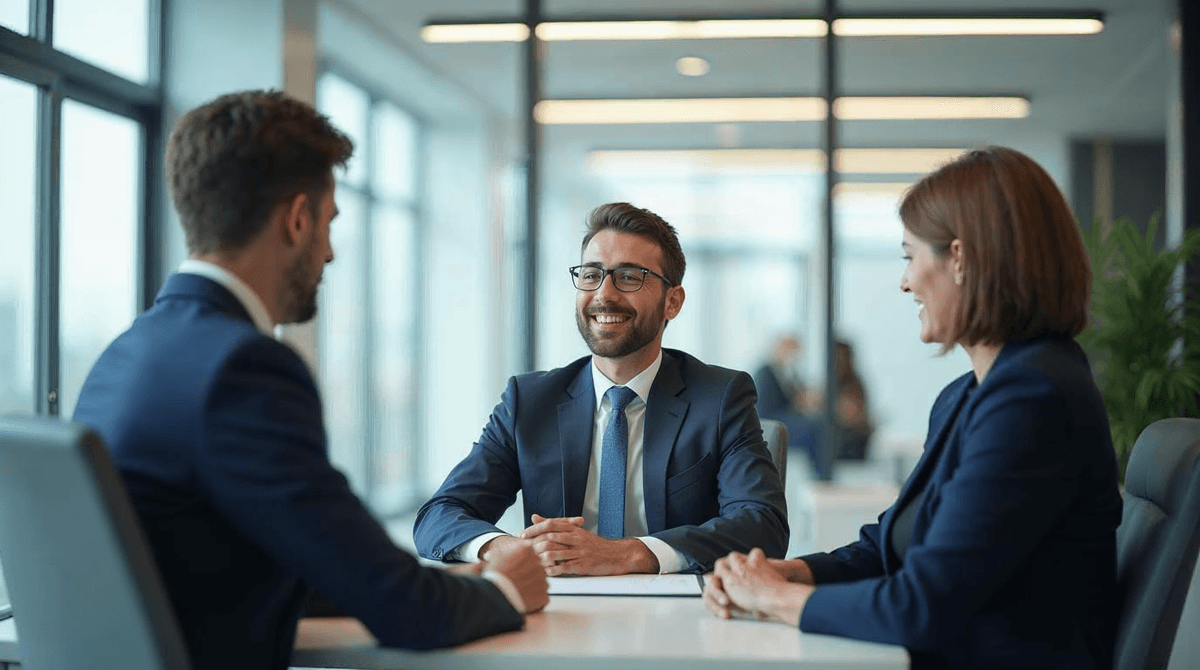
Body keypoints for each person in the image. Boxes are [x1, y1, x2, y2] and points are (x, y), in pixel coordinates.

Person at [72, 90, 548, 670]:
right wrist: (505, 590)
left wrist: (446, 584)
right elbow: (408, 613)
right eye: (329, 223)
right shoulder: (244, 368)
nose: (329, 253)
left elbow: (295, 556)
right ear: (297, 220)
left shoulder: (126, 352)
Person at [702, 146, 1123, 669]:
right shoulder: (969, 395)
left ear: (960, 260)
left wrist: (773, 598)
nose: (904, 281)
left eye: (909, 256)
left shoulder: (1032, 400)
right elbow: (889, 545)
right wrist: (791, 573)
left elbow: (922, 607)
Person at [414, 202, 789, 576]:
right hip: (557, 605)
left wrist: (626, 554)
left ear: (672, 302)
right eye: (591, 275)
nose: (604, 294)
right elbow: (438, 516)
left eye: (629, 276)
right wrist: (510, 549)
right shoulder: (528, 402)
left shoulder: (720, 398)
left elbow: (763, 524)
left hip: (678, 606)